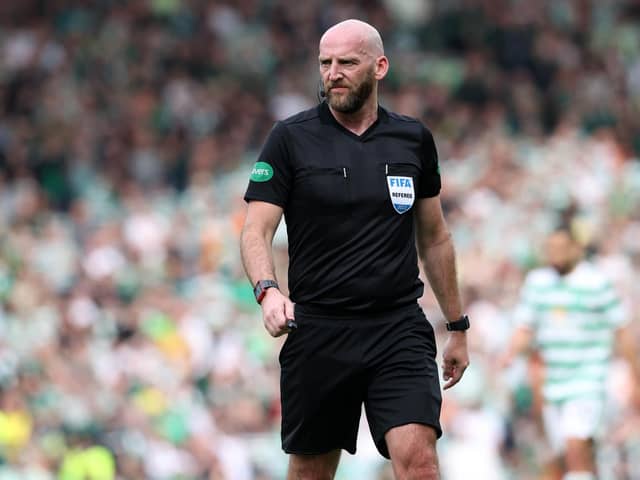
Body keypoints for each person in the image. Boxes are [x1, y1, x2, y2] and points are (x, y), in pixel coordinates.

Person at [239, 19, 470, 480]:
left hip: (397, 326)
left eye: (347, 62)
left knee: (420, 460)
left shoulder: (413, 139)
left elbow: (434, 236)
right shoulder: (290, 138)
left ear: (379, 66)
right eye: (325, 63)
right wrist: (268, 291)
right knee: (311, 471)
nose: (333, 73)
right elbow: (255, 230)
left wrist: (457, 325)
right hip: (319, 329)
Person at [502, 227, 640, 480]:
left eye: (561, 248)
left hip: (588, 378)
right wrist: (511, 353)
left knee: (576, 447)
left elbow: (621, 331)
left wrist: (635, 378)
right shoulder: (537, 283)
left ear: (576, 249)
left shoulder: (596, 283)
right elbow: (525, 328)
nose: (556, 254)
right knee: (563, 456)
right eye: (551, 248)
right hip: (552, 382)